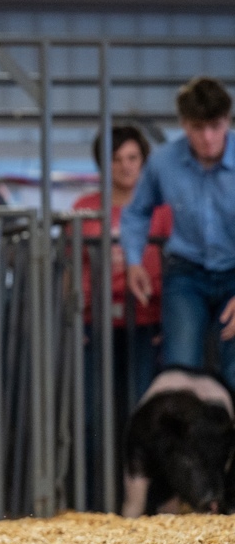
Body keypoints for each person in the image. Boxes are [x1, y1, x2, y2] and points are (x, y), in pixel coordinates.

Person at [74, 125, 172, 510]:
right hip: (95, 326)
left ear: (144, 162)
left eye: (133, 158)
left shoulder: (162, 212)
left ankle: (152, 501)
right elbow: (72, 269)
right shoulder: (84, 208)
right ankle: (99, 501)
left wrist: (166, 318)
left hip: (147, 324)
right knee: (95, 416)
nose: (126, 166)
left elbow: (172, 267)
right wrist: (74, 314)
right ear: (104, 164)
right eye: (116, 159)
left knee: (143, 413)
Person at [122, 76, 235, 391]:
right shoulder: (163, 162)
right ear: (184, 125)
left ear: (227, 121)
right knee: (180, 369)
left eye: (216, 126)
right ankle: (184, 441)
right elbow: (136, 212)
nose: (209, 137)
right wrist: (134, 261)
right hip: (186, 272)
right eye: (199, 128)